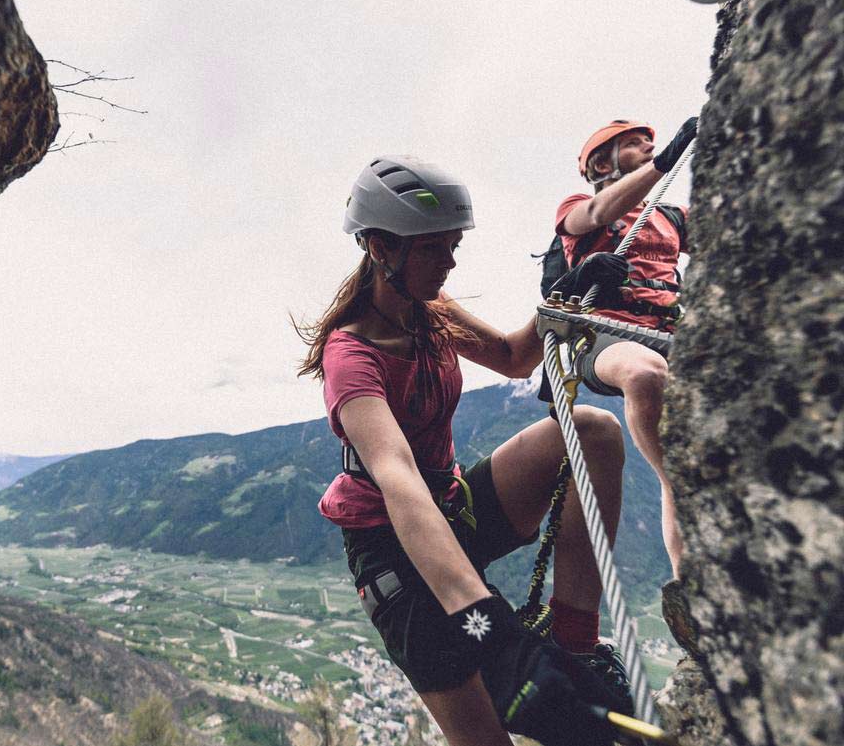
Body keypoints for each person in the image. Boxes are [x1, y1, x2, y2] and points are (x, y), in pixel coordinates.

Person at [298, 156, 632, 746]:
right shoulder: (349, 357)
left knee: (593, 431)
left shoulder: (434, 313)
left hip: (454, 510)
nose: (451, 261)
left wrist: (563, 293)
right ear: (380, 247)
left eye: (453, 245)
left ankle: (575, 640)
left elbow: (512, 357)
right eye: (435, 248)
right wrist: (486, 622)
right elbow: (397, 478)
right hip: (392, 552)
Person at [553, 118, 699, 652]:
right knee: (643, 374)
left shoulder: (671, 216)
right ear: (601, 163)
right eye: (634, 142)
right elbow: (595, 213)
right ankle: (681, 484)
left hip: (669, 331)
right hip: (608, 337)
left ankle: (689, 581)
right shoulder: (578, 205)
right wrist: (664, 163)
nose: (650, 147)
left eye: (651, 142)